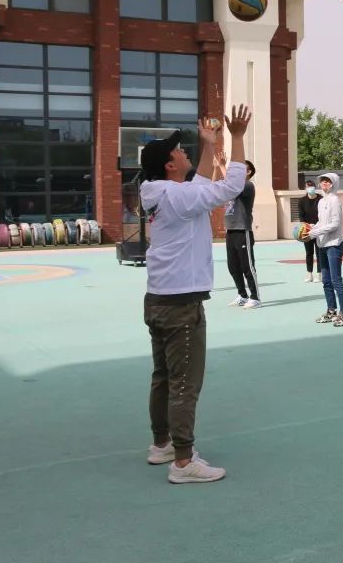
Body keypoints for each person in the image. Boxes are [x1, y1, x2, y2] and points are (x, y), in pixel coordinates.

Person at [138, 105, 251, 483]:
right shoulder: (177, 198)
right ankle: (184, 462)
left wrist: (207, 144)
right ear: (170, 166)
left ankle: (161, 445)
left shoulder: (163, 193)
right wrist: (235, 137)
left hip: (158, 299)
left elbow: (201, 183)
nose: (183, 151)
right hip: (181, 304)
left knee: (164, 378)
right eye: (178, 150)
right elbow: (229, 186)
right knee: (185, 383)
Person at [306, 172, 343, 326]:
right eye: (322, 181)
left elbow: (335, 224)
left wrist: (314, 232)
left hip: (334, 245)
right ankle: (331, 310)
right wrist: (311, 228)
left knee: (336, 280)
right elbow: (322, 222)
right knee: (325, 280)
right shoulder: (321, 202)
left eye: (327, 181)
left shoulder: (334, 200)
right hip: (322, 245)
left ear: (333, 184)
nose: (324, 183)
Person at [223, 159, 260, 309]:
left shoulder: (248, 185)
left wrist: (220, 166)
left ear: (248, 172)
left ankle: (255, 297)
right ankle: (242, 295)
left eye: (241, 169)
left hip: (242, 230)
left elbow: (232, 185)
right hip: (230, 230)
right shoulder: (233, 186)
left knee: (247, 266)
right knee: (233, 266)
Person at [297, 180, 321, 283]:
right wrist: (307, 225)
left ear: (315, 187)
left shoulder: (320, 199)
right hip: (307, 230)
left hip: (319, 229)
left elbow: (323, 214)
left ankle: (320, 274)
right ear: (305, 188)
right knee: (309, 252)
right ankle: (309, 273)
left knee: (319, 252)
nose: (310, 188)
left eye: (312, 186)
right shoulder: (302, 201)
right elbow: (301, 216)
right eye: (308, 186)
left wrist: (316, 225)